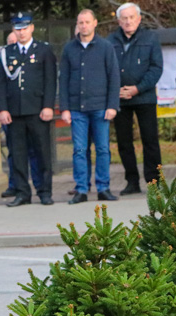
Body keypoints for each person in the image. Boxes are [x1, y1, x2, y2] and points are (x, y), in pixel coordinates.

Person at [0, 12, 57, 207]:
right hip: (14, 112)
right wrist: (2, 109)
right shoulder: (7, 52)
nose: (21, 32)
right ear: (14, 30)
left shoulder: (43, 50)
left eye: (24, 28)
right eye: (17, 29)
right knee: (18, 155)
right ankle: (22, 192)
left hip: (38, 110)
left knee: (42, 153)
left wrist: (48, 105)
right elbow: (1, 83)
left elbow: (50, 80)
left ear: (31, 28)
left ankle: (45, 191)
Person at [60, 10, 120, 204]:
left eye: (87, 22)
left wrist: (112, 105)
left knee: (102, 149)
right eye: (80, 22)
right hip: (77, 108)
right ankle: (81, 189)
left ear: (95, 23)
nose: (83, 25)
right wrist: (65, 108)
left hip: (101, 107)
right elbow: (64, 80)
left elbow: (114, 77)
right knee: (79, 150)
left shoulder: (105, 47)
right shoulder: (69, 49)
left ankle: (103, 188)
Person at [109, 2, 163, 195]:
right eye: (124, 18)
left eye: (132, 17)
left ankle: (154, 183)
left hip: (145, 97)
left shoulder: (150, 38)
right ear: (119, 21)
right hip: (120, 98)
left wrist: (137, 89)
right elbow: (106, 69)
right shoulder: (111, 41)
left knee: (150, 140)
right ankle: (131, 181)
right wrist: (117, 90)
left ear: (139, 19)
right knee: (124, 143)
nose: (128, 21)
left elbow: (156, 68)